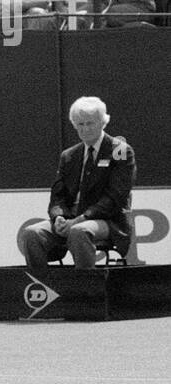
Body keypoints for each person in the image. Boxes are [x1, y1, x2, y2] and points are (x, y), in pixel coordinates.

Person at [17, 97, 135, 268]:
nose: (85, 129)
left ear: (102, 123)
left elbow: (115, 198)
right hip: (70, 219)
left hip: (108, 221)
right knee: (31, 233)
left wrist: (81, 219)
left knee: (79, 231)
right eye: (80, 124)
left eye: (90, 123)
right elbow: (57, 197)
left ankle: (87, 289)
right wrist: (58, 217)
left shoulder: (120, 150)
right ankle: (43, 287)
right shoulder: (69, 155)